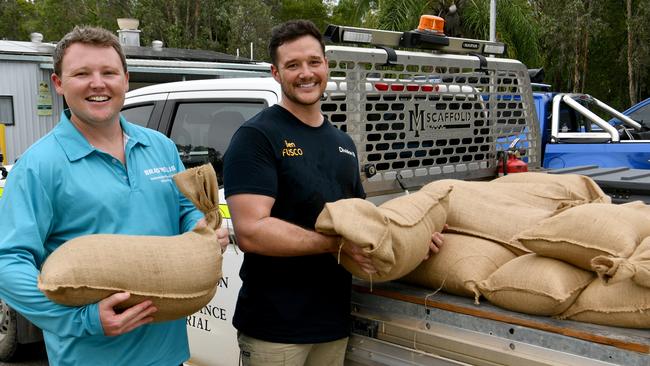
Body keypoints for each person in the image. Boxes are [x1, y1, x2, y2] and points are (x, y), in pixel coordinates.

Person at [0, 26, 228, 366]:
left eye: (109, 72)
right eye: (81, 74)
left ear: (125, 79)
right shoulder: (38, 165)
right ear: (59, 84)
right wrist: (84, 320)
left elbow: (183, 209)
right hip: (91, 356)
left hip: (169, 353)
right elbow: (9, 262)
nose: (98, 83)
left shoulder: (160, 147)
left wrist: (204, 231)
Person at [223, 20, 445, 366]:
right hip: (275, 330)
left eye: (314, 62)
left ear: (326, 65)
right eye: (292, 65)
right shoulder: (257, 137)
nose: (305, 73)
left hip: (332, 324)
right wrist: (333, 244)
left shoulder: (342, 143)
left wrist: (410, 239)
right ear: (276, 73)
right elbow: (252, 231)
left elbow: (360, 220)